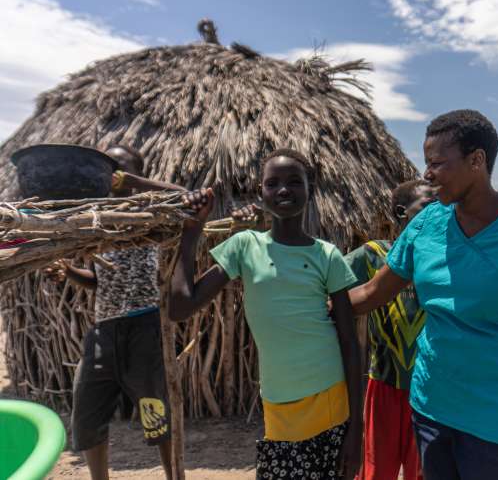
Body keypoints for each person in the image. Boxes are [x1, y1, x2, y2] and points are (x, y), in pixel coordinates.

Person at [348, 110, 498, 480]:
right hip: (433, 411)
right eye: (427, 163)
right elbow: (374, 291)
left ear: (477, 160)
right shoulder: (426, 224)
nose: (427, 174)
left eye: (437, 163)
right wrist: (314, 305)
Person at [170, 148, 363, 480]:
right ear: (261, 193)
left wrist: (357, 430)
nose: (283, 190)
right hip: (277, 400)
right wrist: (190, 235)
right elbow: (179, 307)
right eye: (273, 183)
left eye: (294, 182)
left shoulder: (327, 255)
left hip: (329, 398)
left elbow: (350, 341)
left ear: (309, 190)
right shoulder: (245, 246)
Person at [45, 144, 185, 480]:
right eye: (109, 167)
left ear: (136, 171)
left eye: (122, 167)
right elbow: (99, 280)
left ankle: (173, 476)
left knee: (157, 410)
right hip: (104, 328)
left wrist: (138, 183)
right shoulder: (97, 217)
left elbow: (188, 196)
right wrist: (68, 273)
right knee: (87, 410)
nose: (113, 174)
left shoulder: (152, 210)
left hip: (145, 325)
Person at [346, 180, 434, 480]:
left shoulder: (444, 259)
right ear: (400, 213)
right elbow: (330, 285)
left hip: (430, 390)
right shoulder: (372, 256)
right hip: (383, 383)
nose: (437, 213)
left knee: (422, 472)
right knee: (375, 471)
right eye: (427, 207)